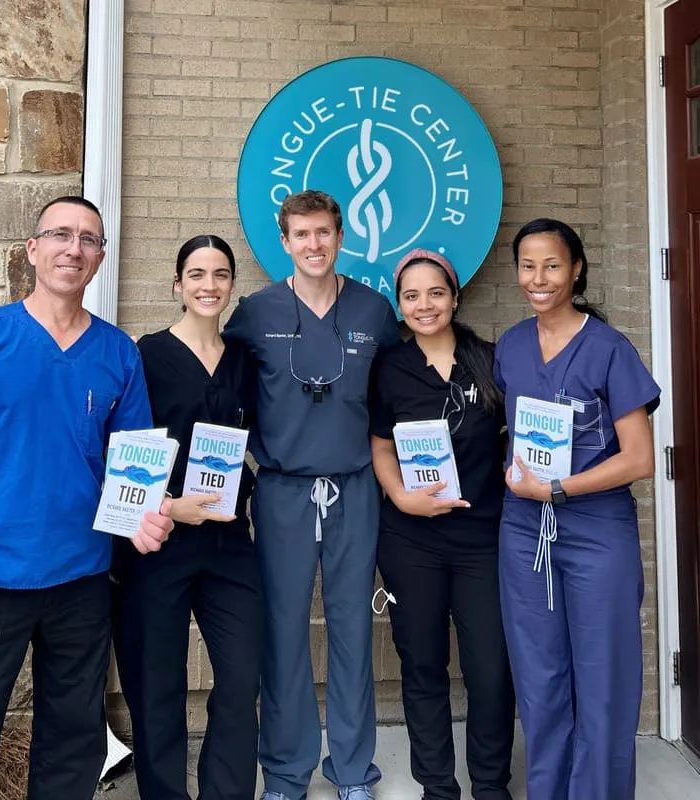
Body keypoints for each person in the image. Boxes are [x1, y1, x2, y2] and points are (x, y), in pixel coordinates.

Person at [0, 196, 173, 800]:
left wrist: (144, 517)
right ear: (33, 249)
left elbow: (131, 467)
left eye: (88, 239)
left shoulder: (118, 353)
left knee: (72, 756)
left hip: (82, 583)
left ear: (100, 257)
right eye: (60, 235)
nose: (73, 248)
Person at [224, 190, 401, 800]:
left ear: (340, 236)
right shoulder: (256, 313)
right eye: (301, 234)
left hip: (355, 489)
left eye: (323, 232)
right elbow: (223, 386)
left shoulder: (374, 311)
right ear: (284, 242)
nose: (314, 244)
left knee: (353, 629)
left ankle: (352, 771)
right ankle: (285, 771)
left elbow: (398, 395)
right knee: (283, 632)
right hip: (282, 491)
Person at [494, 218, 660, 800]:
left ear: (576, 270)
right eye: (528, 266)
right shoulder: (512, 346)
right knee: (539, 677)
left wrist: (559, 489)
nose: (538, 279)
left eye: (552, 265)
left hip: (595, 532)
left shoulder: (609, 349)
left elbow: (640, 458)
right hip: (524, 532)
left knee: (603, 678)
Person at [112, 235, 262, 800]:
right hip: (160, 542)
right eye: (196, 274)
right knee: (157, 685)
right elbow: (124, 451)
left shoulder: (244, 359)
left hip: (229, 542)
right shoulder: (146, 355)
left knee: (242, 674)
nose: (208, 285)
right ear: (177, 285)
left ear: (231, 285)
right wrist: (169, 506)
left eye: (220, 274)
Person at [369, 249, 515, 800]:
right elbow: (380, 444)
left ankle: (490, 784)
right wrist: (401, 496)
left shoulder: (491, 361)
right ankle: (437, 786)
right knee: (423, 664)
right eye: (411, 296)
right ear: (399, 305)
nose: (424, 305)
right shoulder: (389, 367)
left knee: (491, 668)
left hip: (484, 539)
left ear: (454, 297)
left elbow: (517, 438)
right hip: (411, 541)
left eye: (435, 293)